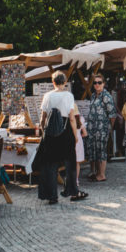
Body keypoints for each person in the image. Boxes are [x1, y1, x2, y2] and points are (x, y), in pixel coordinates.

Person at [34, 71, 86, 203]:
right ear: (65, 82)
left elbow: (43, 117)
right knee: (70, 163)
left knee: (50, 165)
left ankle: (51, 196)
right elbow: (72, 118)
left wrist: (43, 131)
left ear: (53, 82)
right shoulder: (68, 95)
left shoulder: (47, 95)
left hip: (50, 133)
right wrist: (75, 135)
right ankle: (72, 192)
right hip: (66, 130)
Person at [85, 75, 117, 182]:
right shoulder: (94, 95)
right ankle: (95, 172)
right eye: (95, 83)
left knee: (101, 150)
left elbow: (112, 114)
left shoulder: (106, 96)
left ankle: (102, 174)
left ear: (103, 83)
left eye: (99, 82)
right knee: (94, 149)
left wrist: (109, 127)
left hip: (102, 128)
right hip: (92, 128)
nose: (97, 85)